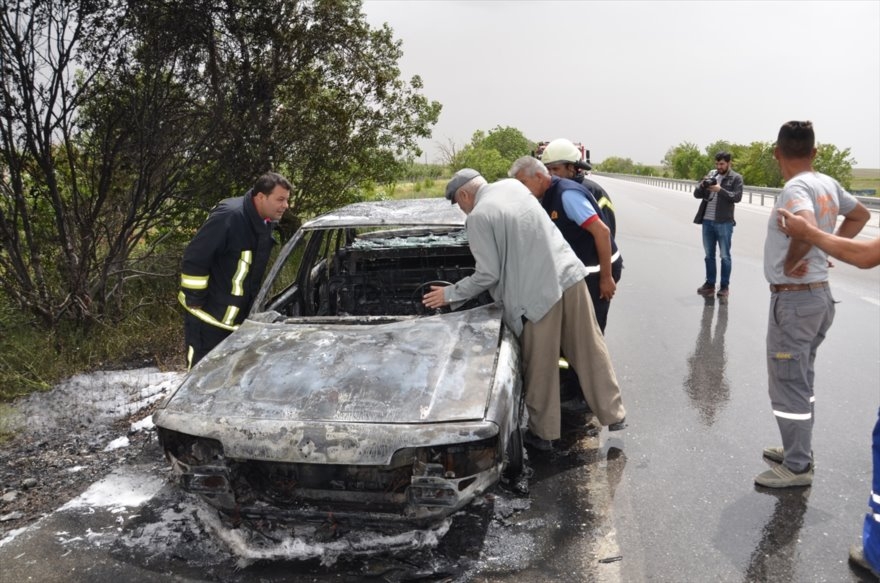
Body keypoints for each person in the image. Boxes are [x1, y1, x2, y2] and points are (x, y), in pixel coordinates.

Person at [422, 168, 626, 451]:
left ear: (465, 194)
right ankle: (615, 414)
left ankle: (543, 435)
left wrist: (449, 294)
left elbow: (488, 274)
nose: (463, 210)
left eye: (459, 203)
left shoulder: (480, 216)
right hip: (570, 277)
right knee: (590, 348)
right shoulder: (514, 188)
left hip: (536, 297)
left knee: (540, 365)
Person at [756, 120, 870, 490]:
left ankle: (798, 465)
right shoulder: (826, 183)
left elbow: (803, 224)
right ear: (814, 151)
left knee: (788, 382)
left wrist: (792, 261)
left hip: (795, 299)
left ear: (777, 152)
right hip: (818, 297)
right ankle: (797, 448)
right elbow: (860, 215)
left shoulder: (796, 187)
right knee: (801, 377)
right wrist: (828, 244)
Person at [777, 207, 880, 577]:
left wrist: (810, 237)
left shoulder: (798, 193)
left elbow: (868, 255)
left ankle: (878, 553)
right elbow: (862, 220)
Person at [179, 172, 292, 369]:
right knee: (202, 378)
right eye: (280, 199)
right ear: (261, 197)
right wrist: (195, 298)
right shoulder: (229, 217)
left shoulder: (264, 221)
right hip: (209, 322)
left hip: (238, 324)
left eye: (287, 200)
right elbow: (195, 258)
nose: (285, 206)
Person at [508, 156, 622, 333]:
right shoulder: (545, 195)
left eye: (523, 183)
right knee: (574, 328)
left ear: (539, 176)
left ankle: (590, 361)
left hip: (597, 271)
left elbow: (602, 232)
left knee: (590, 330)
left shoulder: (566, 195)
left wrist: (606, 278)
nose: (522, 190)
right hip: (581, 271)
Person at [539, 137, 618, 238]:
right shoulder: (546, 191)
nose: (551, 174)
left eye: (555, 169)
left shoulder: (593, 192)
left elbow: (606, 236)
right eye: (547, 169)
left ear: (571, 168)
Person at [693, 151, 743, 298]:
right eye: (717, 163)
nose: (719, 166)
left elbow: (737, 197)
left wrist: (720, 190)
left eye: (722, 164)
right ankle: (709, 284)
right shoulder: (712, 175)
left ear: (729, 163)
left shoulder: (736, 178)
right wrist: (703, 185)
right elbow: (696, 194)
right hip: (707, 221)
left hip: (724, 222)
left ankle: (724, 286)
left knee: (725, 256)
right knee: (709, 255)